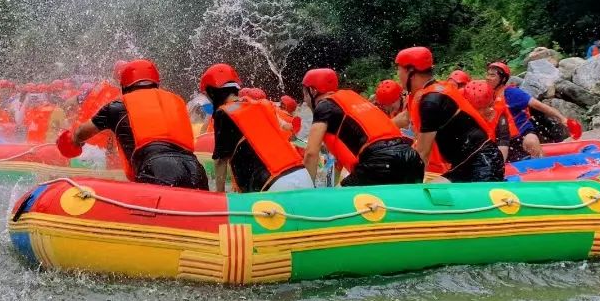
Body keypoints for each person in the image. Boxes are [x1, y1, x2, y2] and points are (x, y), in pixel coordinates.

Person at [56, 59, 208, 189]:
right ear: (156, 83)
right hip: (195, 169)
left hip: (157, 169)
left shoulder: (117, 106)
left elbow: (80, 133)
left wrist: (72, 142)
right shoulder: (177, 101)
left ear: (124, 86)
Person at [396, 46, 503, 183]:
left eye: (399, 70)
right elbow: (405, 117)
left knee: (430, 192)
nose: (398, 75)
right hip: (466, 163)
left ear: (410, 71)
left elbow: (423, 153)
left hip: (483, 162)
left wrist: (410, 187)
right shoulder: (430, 92)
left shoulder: (431, 101)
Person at [302, 67, 423, 187]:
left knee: (335, 203)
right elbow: (339, 163)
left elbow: (311, 154)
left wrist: (307, 193)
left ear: (312, 91)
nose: (304, 99)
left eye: (304, 93)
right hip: (412, 159)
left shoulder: (324, 106)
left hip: (380, 162)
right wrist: (332, 188)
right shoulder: (354, 99)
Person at [201, 64, 313, 194]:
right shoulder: (259, 106)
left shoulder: (224, 113)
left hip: (274, 184)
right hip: (303, 175)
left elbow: (220, 161)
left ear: (213, 92)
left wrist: (219, 197)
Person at [486, 62, 571, 160]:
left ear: (503, 79)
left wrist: (562, 118)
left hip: (522, 134)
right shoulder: (485, 94)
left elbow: (540, 106)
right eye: (488, 74)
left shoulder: (513, 93)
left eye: (492, 75)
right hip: (502, 139)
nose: (488, 78)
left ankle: (542, 164)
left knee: (531, 141)